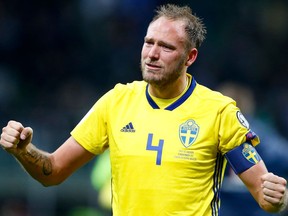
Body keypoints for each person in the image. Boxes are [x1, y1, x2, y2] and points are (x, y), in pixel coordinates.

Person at [0, 4, 287, 216]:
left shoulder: (219, 111)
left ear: (190, 57)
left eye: (166, 47)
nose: (152, 54)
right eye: (149, 43)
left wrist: (275, 197)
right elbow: (53, 172)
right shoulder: (116, 101)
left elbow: (264, 195)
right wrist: (23, 152)